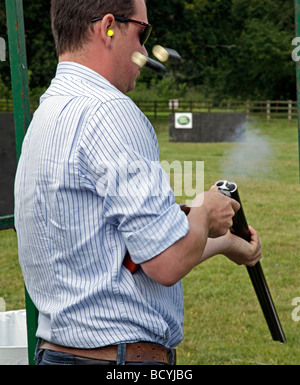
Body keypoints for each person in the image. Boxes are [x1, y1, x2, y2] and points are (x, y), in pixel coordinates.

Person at [14, 0, 261, 366]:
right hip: (120, 360)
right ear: (108, 27)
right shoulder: (110, 111)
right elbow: (168, 261)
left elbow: (134, 254)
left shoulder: (47, 112)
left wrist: (223, 241)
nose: (145, 51)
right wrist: (207, 210)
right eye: (142, 33)